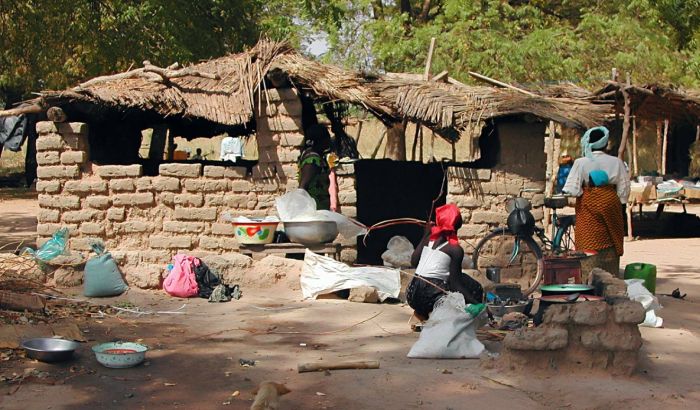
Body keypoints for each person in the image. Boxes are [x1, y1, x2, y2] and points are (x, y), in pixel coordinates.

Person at [562, 126, 630, 276]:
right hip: (611, 200)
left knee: (588, 240)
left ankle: (588, 278)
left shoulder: (581, 162)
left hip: (587, 203)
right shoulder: (616, 162)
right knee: (611, 237)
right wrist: (615, 200)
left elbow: (573, 189)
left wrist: (586, 193)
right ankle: (610, 276)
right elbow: (624, 190)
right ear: (606, 144)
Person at [406, 204, 483, 321]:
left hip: (411, 296)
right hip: (431, 298)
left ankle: (422, 313)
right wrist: (477, 304)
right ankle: (463, 318)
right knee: (474, 287)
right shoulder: (454, 249)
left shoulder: (428, 240)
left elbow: (413, 262)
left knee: (458, 278)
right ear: (458, 225)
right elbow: (455, 285)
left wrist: (425, 235)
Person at [298, 124, 332, 210]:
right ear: (320, 140)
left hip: (319, 207)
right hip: (314, 209)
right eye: (327, 137)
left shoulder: (317, 156)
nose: (329, 140)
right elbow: (303, 186)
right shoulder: (312, 160)